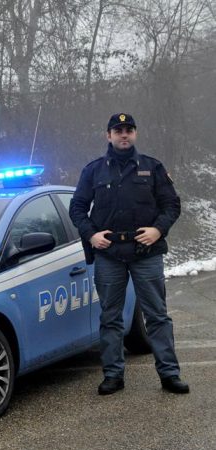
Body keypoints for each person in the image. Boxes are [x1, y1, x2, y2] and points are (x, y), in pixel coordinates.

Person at [69, 113, 189, 396]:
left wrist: (158, 230)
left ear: (135, 134)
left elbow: (171, 205)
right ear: (108, 135)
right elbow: (77, 208)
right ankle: (113, 375)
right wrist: (91, 234)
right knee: (110, 317)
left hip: (146, 251)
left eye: (129, 130)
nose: (124, 134)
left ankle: (170, 374)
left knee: (157, 316)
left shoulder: (152, 167)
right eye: (118, 130)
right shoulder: (94, 171)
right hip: (109, 253)